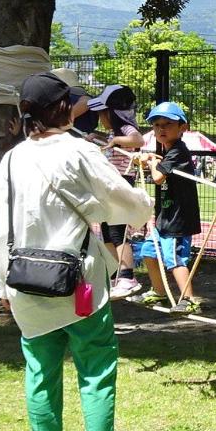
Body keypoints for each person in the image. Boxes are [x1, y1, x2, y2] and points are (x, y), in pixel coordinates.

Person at [0, 73, 156, 431]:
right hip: (76, 280)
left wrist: (1, 286)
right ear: (62, 108)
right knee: (96, 367)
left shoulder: (12, 158)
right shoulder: (78, 151)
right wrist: (144, 203)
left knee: (40, 372)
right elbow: (125, 202)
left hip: (22, 280)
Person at [134, 100, 202, 311]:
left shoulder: (179, 151)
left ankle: (189, 300)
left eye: (168, 124)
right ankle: (159, 292)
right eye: (157, 125)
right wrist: (151, 160)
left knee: (174, 259)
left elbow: (158, 177)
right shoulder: (169, 152)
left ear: (183, 127)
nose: (161, 129)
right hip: (166, 217)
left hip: (178, 220)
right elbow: (162, 167)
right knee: (149, 252)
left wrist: (152, 163)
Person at [82, 84, 146, 298]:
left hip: (121, 184)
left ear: (113, 112)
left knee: (118, 233)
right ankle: (116, 274)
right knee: (107, 233)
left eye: (102, 113)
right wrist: (95, 137)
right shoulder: (112, 133)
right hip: (109, 186)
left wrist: (115, 141)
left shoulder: (125, 131)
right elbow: (108, 140)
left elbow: (138, 139)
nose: (100, 117)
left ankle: (128, 277)